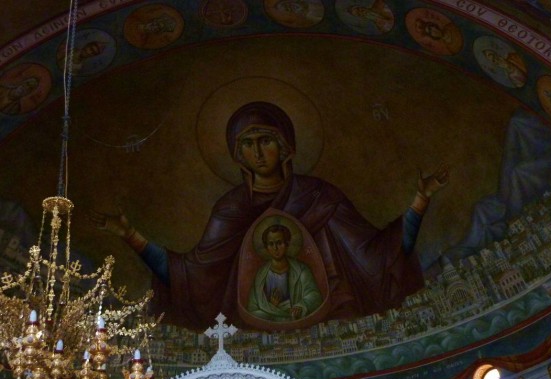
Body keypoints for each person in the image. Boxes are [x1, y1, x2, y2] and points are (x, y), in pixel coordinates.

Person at [92, 101, 449, 332]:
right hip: (245, 334)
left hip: (335, 321)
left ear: (285, 146)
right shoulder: (231, 209)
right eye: (247, 144)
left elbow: (376, 256)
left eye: (266, 140)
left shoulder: (320, 196)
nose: (258, 152)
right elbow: (192, 275)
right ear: (238, 155)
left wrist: (420, 200)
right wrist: (130, 234)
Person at [247, 223, 322, 322]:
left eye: (279, 243)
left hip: (296, 320)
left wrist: (301, 306)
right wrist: (271, 307)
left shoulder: (301, 270)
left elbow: (315, 296)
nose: (275, 248)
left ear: (287, 243)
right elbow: (252, 309)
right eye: (271, 244)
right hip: (271, 321)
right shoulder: (261, 275)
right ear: (266, 247)